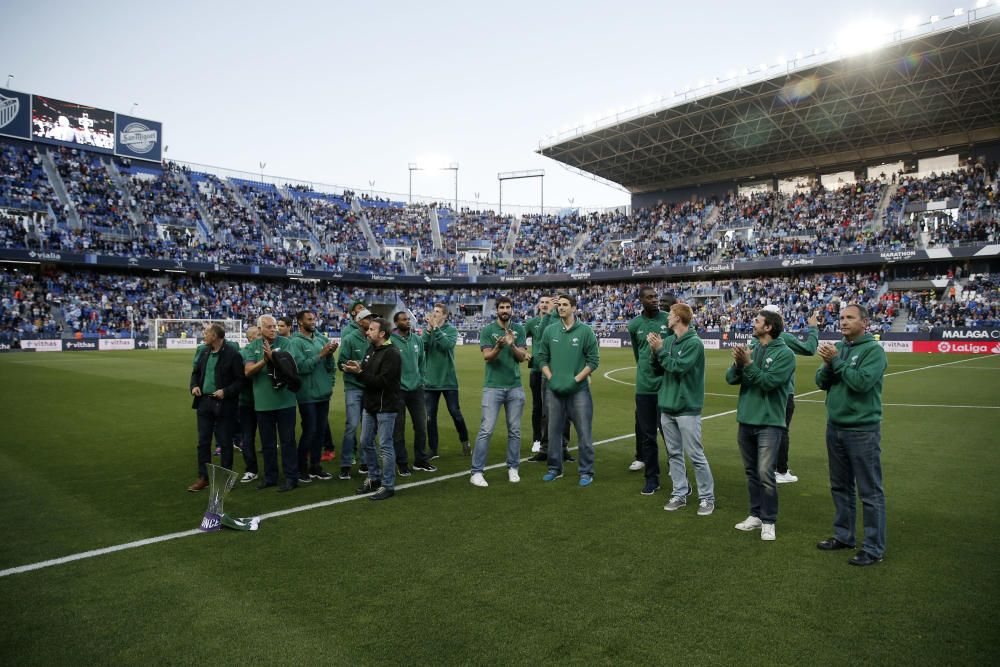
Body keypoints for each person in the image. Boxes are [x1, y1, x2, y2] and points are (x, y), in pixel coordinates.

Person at [815, 304, 888, 566]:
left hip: (862, 431)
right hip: (835, 428)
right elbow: (821, 383)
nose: (843, 322)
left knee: (870, 492)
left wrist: (835, 361)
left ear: (864, 323)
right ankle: (844, 536)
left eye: (850, 318)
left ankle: (873, 548)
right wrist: (828, 364)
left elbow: (860, 383)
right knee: (840, 486)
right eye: (841, 317)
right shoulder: (840, 348)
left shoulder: (873, 351)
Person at [725, 309, 795, 541]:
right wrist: (738, 364)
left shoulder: (785, 354)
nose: (752, 323)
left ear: (768, 327)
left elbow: (769, 382)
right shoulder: (751, 350)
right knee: (751, 472)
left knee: (765, 473)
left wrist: (748, 364)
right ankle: (755, 515)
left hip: (769, 423)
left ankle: (769, 521)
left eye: (757, 321)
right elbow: (730, 379)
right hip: (746, 420)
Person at [648, 303, 715, 515]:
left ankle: (707, 498)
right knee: (674, 454)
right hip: (667, 406)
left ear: (678, 317)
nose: (667, 318)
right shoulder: (667, 341)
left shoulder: (694, 343)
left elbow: (678, 368)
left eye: (670, 315)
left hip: (687, 407)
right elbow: (657, 369)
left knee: (695, 454)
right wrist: (654, 352)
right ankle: (680, 492)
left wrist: (660, 352)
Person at [536, 294, 600, 486]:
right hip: (554, 390)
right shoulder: (550, 330)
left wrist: (577, 379)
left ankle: (586, 471)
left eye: (565, 305)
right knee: (553, 431)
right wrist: (551, 377)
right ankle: (555, 468)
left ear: (574, 308)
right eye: (559, 305)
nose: (561, 308)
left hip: (578, 391)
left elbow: (593, 361)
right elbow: (541, 358)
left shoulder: (586, 331)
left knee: (584, 432)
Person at [469, 296, 528, 487]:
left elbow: (521, 358)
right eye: (502, 307)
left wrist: (511, 344)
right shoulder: (488, 330)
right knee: (486, 430)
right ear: (497, 310)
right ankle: (476, 472)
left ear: (512, 309)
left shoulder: (519, 329)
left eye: (508, 307)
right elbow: (487, 357)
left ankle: (513, 468)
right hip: (493, 387)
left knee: (515, 431)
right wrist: (499, 346)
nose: (505, 310)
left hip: (515, 387)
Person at [343, 318, 402, 501]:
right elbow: (368, 375)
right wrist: (359, 368)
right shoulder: (372, 349)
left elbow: (383, 382)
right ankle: (374, 478)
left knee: (385, 445)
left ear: (382, 333)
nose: (367, 332)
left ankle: (388, 485)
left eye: (371, 329)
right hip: (370, 405)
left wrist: (359, 373)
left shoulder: (392, 353)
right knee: (365, 442)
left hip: (386, 406)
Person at [761, 305, 820, 484]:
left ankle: (766, 468)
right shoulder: (783, 337)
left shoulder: (757, 339)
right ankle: (781, 471)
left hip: (763, 392)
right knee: (781, 431)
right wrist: (813, 328)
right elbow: (810, 349)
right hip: (783, 392)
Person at [242, 315, 301, 492]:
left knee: (288, 442)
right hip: (262, 404)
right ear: (259, 329)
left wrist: (274, 358)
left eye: (274, 326)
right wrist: (265, 360)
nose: (273, 329)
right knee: (267, 443)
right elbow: (248, 371)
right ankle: (270, 477)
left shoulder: (286, 343)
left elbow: (291, 368)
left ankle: (291, 477)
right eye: (268, 327)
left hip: (285, 402)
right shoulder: (252, 346)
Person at [627, 287, 673, 494]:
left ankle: (678, 472)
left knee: (671, 435)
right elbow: (639, 356)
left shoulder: (668, 320)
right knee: (647, 437)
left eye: (656, 297)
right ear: (641, 300)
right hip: (644, 388)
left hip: (666, 387)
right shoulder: (634, 324)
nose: (655, 300)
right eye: (650, 297)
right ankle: (652, 478)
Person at [188, 323, 245, 491]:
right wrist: (194, 386)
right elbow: (196, 373)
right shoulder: (204, 352)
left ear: (215, 336)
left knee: (225, 442)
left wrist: (225, 391)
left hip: (224, 404)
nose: (203, 336)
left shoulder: (233, 355)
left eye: (206, 333)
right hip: (204, 402)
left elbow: (241, 381)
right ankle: (203, 478)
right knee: (203, 442)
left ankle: (225, 479)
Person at [290, 309, 338, 483]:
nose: (313, 321)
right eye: (309, 319)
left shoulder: (320, 339)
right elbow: (301, 367)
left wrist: (329, 356)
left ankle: (315, 466)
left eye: (314, 319)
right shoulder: (295, 342)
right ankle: (301, 468)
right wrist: (321, 354)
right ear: (300, 322)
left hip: (323, 394)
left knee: (319, 432)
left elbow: (329, 367)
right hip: (307, 395)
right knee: (309, 431)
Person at [422, 303, 470, 456]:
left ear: (444, 315)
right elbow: (423, 346)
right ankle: (433, 449)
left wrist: (436, 328)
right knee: (430, 418)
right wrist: (429, 329)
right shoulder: (428, 329)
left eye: (437, 312)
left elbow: (447, 345)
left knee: (455, 413)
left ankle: (465, 441)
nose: (434, 314)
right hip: (430, 381)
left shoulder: (451, 330)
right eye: (433, 311)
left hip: (448, 380)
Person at [391, 310, 435, 473]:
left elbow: (422, 362)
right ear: (396, 323)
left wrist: (421, 380)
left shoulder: (417, 339)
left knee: (421, 426)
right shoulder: (391, 341)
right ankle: (402, 463)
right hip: (398, 391)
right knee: (398, 428)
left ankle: (421, 460)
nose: (407, 321)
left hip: (416, 390)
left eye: (408, 319)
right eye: (403, 319)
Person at [337, 306, 373, 479]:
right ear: (359, 322)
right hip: (353, 387)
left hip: (369, 387)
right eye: (367, 318)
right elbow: (340, 363)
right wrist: (351, 367)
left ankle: (366, 462)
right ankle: (345, 463)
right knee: (351, 426)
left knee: (368, 427)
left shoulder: (374, 339)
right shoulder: (350, 338)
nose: (371, 320)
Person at [524, 295, 552, 454]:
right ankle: (537, 438)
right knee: (537, 406)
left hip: (553, 370)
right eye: (541, 302)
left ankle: (555, 439)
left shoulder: (556, 320)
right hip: (536, 370)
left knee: (555, 407)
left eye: (547, 302)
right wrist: (524, 352)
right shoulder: (531, 322)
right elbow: (520, 339)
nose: (544, 304)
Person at [236, 325, 261, 483]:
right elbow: (241, 378)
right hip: (247, 402)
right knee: (247, 437)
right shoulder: (242, 354)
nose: (261, 336)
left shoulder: (267, 350)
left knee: (268, 437)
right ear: (250, 338)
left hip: (265, 401)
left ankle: (272, 469)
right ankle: (251, 469)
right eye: (258, 334)